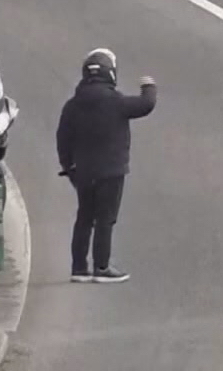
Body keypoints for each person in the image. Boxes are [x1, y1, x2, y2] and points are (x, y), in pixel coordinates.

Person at [55, 48, 156, 283]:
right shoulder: (116, 101)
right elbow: (146, 104)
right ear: (110, 73)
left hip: (83, 171)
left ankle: (79, 268)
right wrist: (149, 85)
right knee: (105, 219)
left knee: (84, 218)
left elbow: (62, 140)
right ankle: (101, 267)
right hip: (111, 171)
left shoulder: (72, 106)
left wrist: (69, 168)